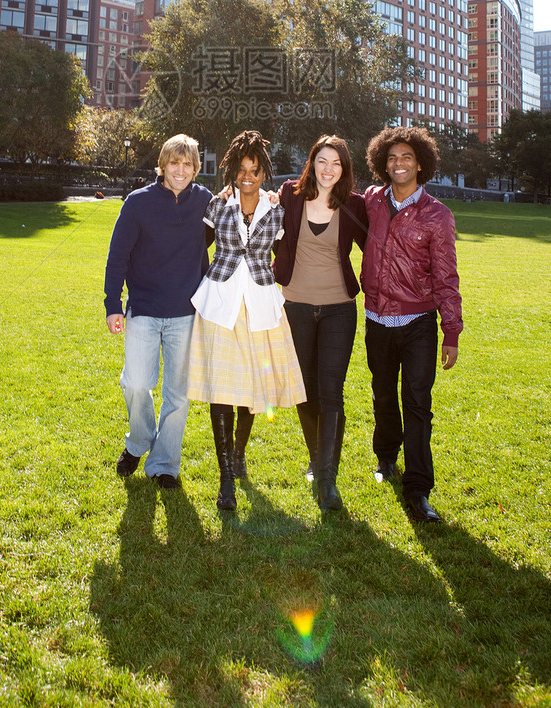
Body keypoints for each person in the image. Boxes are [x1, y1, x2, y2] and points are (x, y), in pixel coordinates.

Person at [188, 130, 305, 511]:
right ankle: (225, 479)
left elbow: (286, 257)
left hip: (259, 305)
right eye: (241, 170)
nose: (247, 176)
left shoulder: (277, 209)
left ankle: (238, 456)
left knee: (250, 386)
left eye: (254, 170)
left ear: (264, 172)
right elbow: (193, 246)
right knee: (222, 389)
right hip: (220, 304)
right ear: (232, 172)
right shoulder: (217, 205)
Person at [362, 126, 463, 523]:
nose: (398, 164)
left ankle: (418, 488)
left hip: (419, 321)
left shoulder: (438, 215)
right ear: (382, 164)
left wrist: (450, 332)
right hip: (376, 320)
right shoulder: (370, 201)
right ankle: (386, 458)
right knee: (383, 395)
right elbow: (328, 196)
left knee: (417, 403)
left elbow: (447, 277)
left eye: (406, 158)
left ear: (420, 163)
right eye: (391, 158)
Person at [103, 134, 212, 489]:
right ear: (163, 165)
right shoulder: (138, 203)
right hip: (144, 309)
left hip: (185, 312)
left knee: (177, 394)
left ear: (196, 169)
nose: (180, 170)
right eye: (174, 163)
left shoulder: (206, 203)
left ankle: (165, 463)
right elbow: (117, 257)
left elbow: (237, 217)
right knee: (136, 383)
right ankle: (139, 441)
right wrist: (112, 304)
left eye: (187, 164)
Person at [273, 135, 369, 512]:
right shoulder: (290, 195)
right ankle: (316, 456)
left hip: (338, 309)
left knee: (331, 390)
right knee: (304, 388)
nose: (329, 169)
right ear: (311, 162)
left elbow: (378, 245)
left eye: (337, 164)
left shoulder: (354, 205)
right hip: (294, 305)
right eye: (322, 161)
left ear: (344, 169)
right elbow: (260, 213)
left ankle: (327, 478)